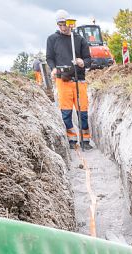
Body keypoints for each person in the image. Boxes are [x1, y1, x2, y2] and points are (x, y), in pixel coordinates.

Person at [46, 9, 93, 150]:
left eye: (65, 24)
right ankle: (72, 140)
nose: (63, 27)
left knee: (82, 112)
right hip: (63, 81)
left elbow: (89, 60)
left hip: (79, 80)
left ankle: (85, 140)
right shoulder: (52, 39)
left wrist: (82, 62)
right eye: (60, 25)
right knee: (66, 112)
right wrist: (53, 68)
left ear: (70, 23)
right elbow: (49, 58)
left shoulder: (79, 39)